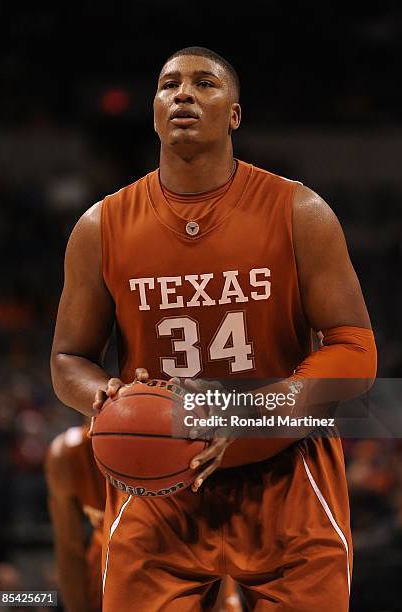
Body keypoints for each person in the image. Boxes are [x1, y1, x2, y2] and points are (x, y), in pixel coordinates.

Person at [51, 46, 377, 611]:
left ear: (235, 114)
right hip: (157, 487)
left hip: (285, 476)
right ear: (154, 111)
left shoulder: (298, 210)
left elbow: (356, 350)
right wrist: (104, 397)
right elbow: (67, 360)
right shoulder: (100, 226)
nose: (183, 94)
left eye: (204, 84)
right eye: (169, 84)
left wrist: (250, 411)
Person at [45, 422, 106, 612]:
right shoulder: (67, 454)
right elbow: (69, 548)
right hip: (108, 574)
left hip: (180, 567)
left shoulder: (182, 435)